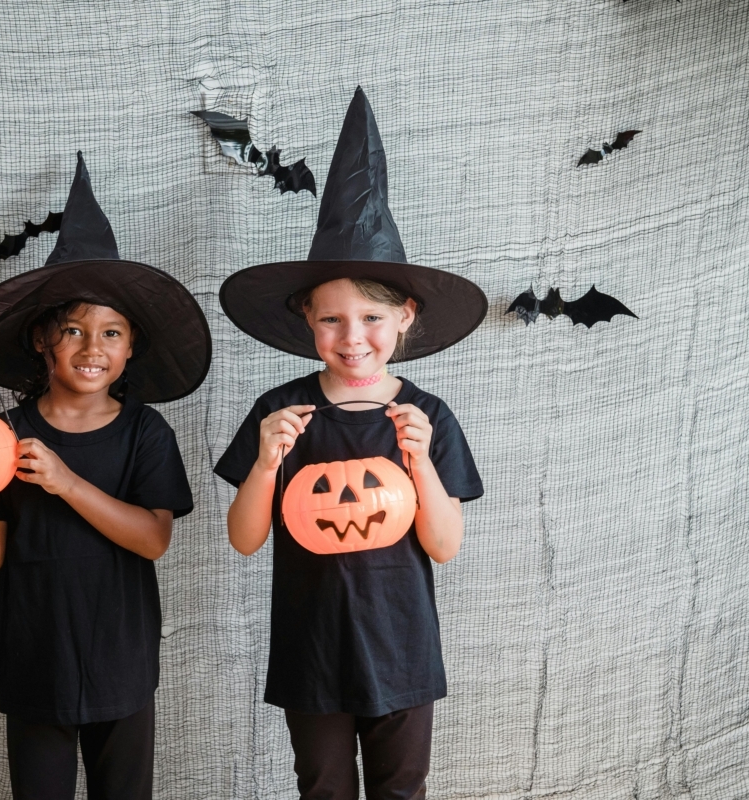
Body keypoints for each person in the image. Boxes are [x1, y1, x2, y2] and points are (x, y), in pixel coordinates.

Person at [0, 153, 211, 800]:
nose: (92, 348)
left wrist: (65, 482)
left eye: (111, 332)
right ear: (41, 342)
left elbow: (153, 539)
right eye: (73, 330)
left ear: (131, 346)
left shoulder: (145, 434)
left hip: (121, 660)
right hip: (33, 659)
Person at [214, 88, 487, 800]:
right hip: (311, 652)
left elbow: (445, 543)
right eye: (331, 319)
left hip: (403, 649)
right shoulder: (281, 411)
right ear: (307, 321)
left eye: (370, 317)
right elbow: (244, 538)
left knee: (402, 790)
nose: (352, 337)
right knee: (322, 788)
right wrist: (268, 464)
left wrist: (420, 462)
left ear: (404, 318)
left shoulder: (427, 416)